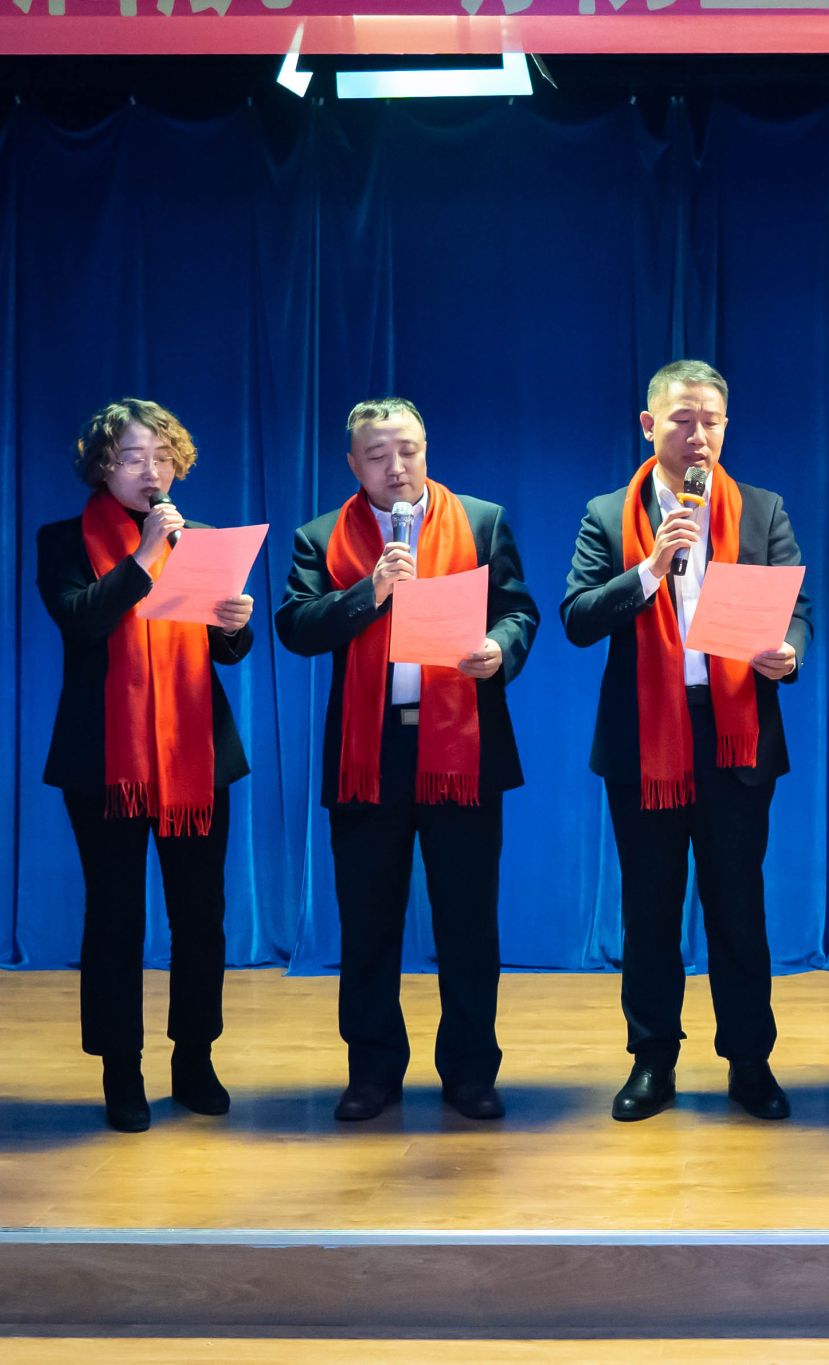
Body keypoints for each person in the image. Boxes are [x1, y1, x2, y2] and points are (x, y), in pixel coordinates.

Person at [562, 361, 813, 1122]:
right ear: (649, 426)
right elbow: (578, 618)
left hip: (736, 737)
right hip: (646, 738)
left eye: (710, 420)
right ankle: (652, 1060)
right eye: (681, 419)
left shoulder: (762, 508)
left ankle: (750, 1060)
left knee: (739, 906)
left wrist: (788, 652)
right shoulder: (608, 514)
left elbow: (796, 608)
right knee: (650, 909)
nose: (697, 433)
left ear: (725, 427)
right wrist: (649, 569)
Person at [277, 398, 539, 1123]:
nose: (397, 467)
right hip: (370, 752)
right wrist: (370, 591)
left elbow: (519, 610)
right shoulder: (321, 537)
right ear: (352, 463)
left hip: (463, 745)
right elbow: (296, 626)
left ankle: (470, 1071)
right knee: (367, 923)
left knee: (468, 923)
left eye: (409, 450)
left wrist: (499, 650)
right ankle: (371, 1072)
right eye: (378, 455)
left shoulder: (481, 521)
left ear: (426, 449)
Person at [36, 398, 255, 1133]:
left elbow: (223, 651)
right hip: (106, 759)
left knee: (201, 915)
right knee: (115, 916)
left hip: (197, 754)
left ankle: (195, 1057)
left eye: (163, 458)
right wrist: (144, 557)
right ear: (103, 466)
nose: (151, 472)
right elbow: (82, 620)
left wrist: (234, 626)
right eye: (134, 458)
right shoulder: (63, 540)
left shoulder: (199, 542)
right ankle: (120, 1069)